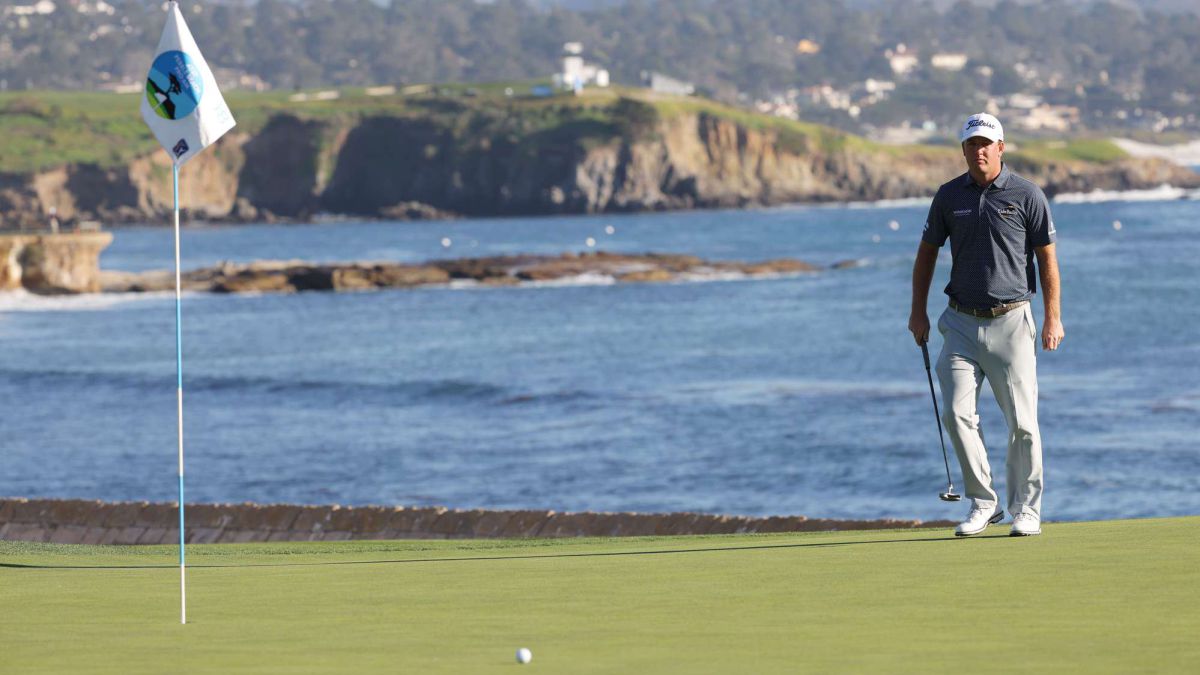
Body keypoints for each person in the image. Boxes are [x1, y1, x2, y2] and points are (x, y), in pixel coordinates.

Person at [908, 112, 1064, 537]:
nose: (979, 151)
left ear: (1001, 148)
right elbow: (926, 254)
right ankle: (983, 503)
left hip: (1012, 320)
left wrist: (1053, 316)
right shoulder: (947, 196)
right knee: (957, 415)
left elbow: (1047, 258)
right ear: (963, 151)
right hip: (958, 322)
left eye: (986, 143)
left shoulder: (1027, 195)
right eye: (971, 144)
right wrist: (917, 311)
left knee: (1024, 425)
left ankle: (1027, 509)